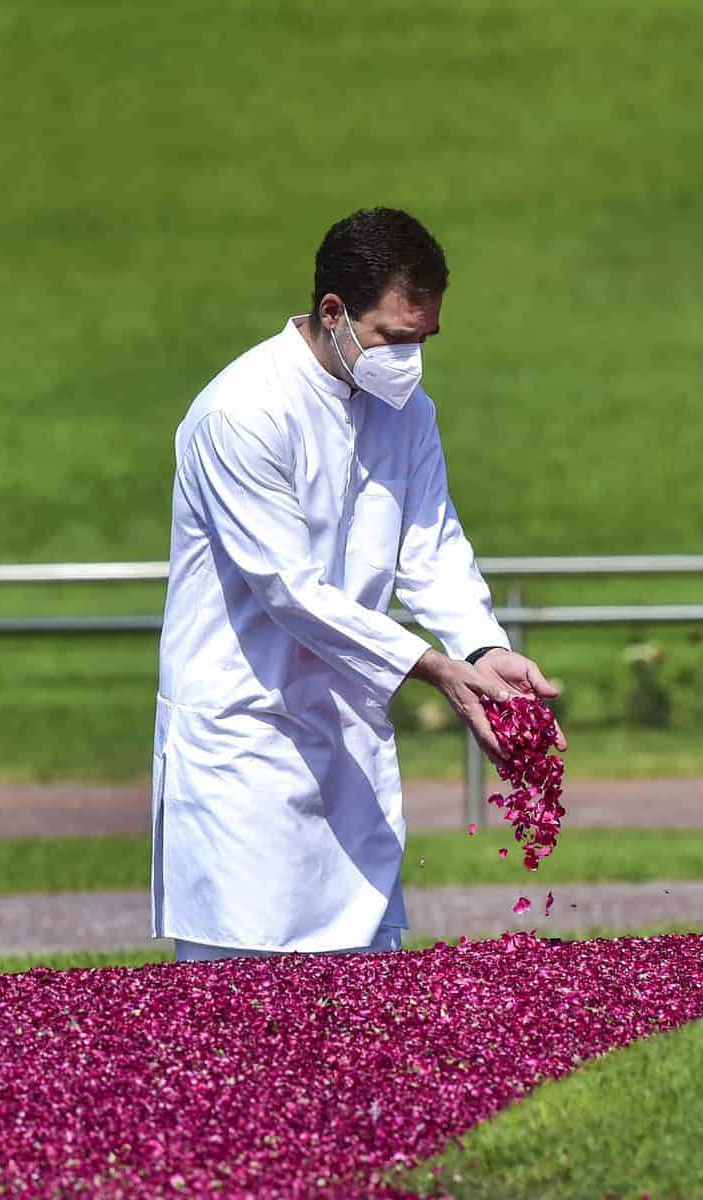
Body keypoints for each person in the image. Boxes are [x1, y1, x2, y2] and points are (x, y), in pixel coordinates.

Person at [151, 207, 567, 963]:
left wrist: (482, 647)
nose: (410, 360)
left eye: (425, 340)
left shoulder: (406, 411)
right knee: (239, 999)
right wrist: (433, 668)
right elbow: (291, 591)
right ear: (333, 311)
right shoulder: (240, 413)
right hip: (243, 741)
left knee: (369, 994)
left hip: (350, 735)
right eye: (395, 338)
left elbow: (431, 545)